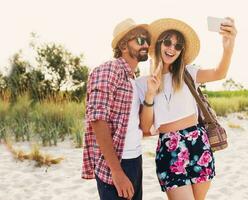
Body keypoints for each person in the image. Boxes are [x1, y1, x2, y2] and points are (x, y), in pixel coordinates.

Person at [136, 18, 237, 200]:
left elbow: (219, 73)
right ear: (159, 44)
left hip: (197, 143)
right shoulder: (142, 83)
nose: (171, 48)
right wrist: (150, 94)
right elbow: (145, 127)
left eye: (178, 45)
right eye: (167, 42)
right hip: (169, 148)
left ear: (181, 51)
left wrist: (228, 46)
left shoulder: (189, 73)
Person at [82, 18, 151, 200]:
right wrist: (117, 171)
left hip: (135, 159)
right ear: (123, 45)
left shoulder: (133, 80)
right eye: (139, 39)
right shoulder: (109, 69)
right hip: (117, 163)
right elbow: (97, 119)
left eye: (146, 40)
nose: (145, 44)